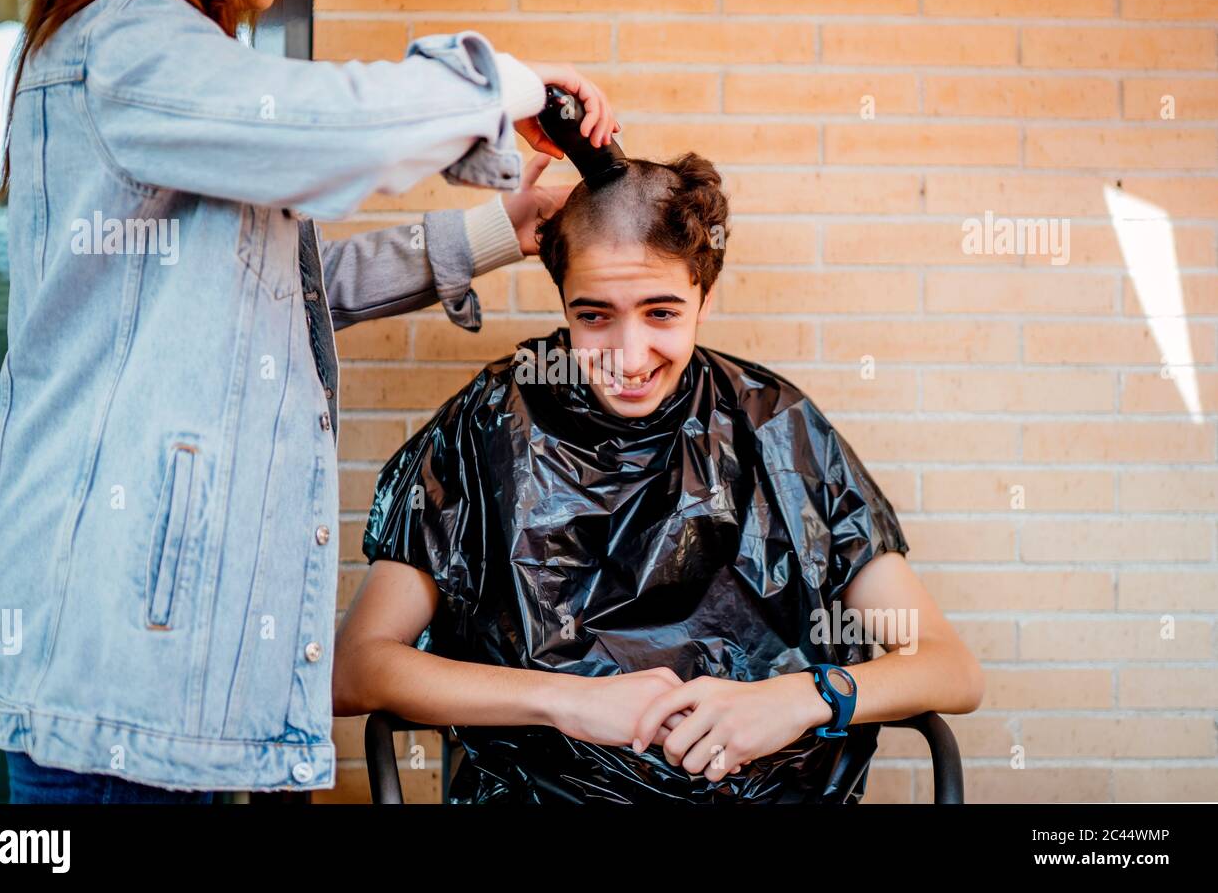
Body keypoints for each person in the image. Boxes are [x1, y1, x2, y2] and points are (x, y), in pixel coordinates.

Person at [0, 0, 619, 803]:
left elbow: (293, 291)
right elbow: (330, 124)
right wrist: (503, 86)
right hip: (123, 699)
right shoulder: (128, 42)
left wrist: (504, 226)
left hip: (195, 690)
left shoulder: (166, 68)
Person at [333, 152, 984, 803]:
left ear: (705, 290)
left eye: (662, 313)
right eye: (593, 315)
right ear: (562, 296)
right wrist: (569, 701)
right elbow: (357, 666)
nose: (629, 353)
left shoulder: (775, 428)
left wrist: (800, 698)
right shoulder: (488, 425)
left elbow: (949, 667)